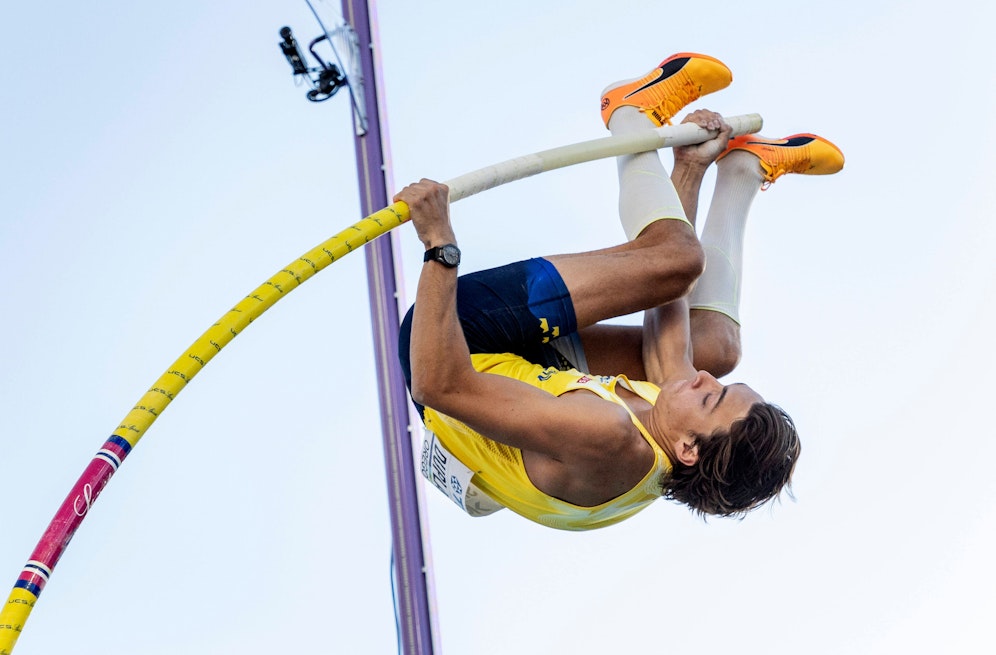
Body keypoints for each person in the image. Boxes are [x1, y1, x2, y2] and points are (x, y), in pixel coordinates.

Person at [397, 53, 844, 531]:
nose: (704, 381)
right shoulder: (668, 436)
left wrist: (439, 245)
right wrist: (689, 170)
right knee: (716, 345)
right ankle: (743, 171)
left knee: (678, 260)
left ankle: (629, 113)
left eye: (712, 399)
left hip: (452, 347)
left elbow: (438, 384)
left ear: (691, 449)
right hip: (540, 374)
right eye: (722, 389)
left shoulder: (605, 436)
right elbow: (666, 334)